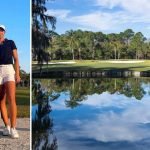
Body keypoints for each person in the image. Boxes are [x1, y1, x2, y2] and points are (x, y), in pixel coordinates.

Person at [0, 24, 21, 138]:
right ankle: (7, 127)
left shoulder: (10, 42)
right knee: (1, 100)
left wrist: (17, 74)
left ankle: (13, 128)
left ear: (4, 32)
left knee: (11, 99)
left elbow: (16, 59)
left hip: (8, 69)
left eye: (1, 30)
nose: (0, 32)